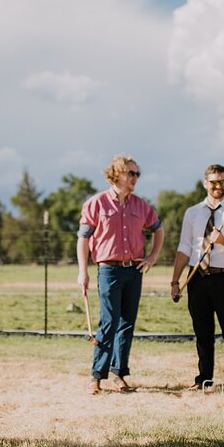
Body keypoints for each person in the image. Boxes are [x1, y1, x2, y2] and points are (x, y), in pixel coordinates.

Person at [77, 154, 164, 394]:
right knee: (109, 321)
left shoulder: (141, 205)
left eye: (138, 174)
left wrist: (152, 257)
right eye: (131, 173)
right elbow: (83, 239)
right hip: (109, 270)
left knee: (127, 324)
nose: (135, 178)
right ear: (117, 174)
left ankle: (119, 373)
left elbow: (159, 230)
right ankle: (96, 376)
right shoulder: (96, 203)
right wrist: (82, 272)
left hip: (134, 270)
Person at [170, 164, 224, 392]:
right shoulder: (192, 213)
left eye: (222, 182)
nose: (218, 187)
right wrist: (175, 281)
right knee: (202, 332)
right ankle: (204, 379)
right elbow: (184, 247)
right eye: (214, 182)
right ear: (206, 183)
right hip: (197, 277)